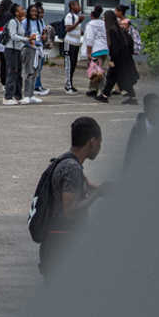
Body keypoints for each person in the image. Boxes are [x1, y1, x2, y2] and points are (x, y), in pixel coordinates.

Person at [38, 117, 105, 280]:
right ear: (92, 141)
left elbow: (86, 186)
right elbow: (70, 210)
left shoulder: (66, 160)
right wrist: (96, 196)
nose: (100, 147)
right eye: (100, 142)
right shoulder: (72, 168)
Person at [98, 9, 139, 105]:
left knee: (114, 76)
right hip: (124, 57)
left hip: (118, 58)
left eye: (104, 17)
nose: (103, 19)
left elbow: (115, 47)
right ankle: (106, 95)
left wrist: (112, 59)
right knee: (118, 77)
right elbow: (129, 41)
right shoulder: (119, 28)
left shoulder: (112, 30)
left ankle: (105, 96)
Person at [0, 4, 34, 106]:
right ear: (16, 12)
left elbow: (21, 37)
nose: (24, 10)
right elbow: (13, 36)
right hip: (11, 50)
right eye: (21, 9)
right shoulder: (13, 22)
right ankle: (7, 97)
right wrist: (27, 39)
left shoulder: (19, 22)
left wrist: (28, 41)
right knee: (12, 72)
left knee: (18, 73)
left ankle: (17, 96)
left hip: (18, 50)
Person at [124, 93, 159, 167]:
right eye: (154, 106)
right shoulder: (138, 128)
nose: (157, 110)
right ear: (145, 108)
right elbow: (130, 152)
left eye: (158, 106)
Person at [82, 5, 108, 97]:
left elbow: (90, 39)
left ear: (91, 15)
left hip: (95, 50)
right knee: (96, 70)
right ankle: (93, 89)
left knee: (96, 72)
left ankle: (101, 90)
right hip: (104, 49)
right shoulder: (104, 23)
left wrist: (89, 53)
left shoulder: (91, 24)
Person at [25, 5, 48, 98]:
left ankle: (35, 89)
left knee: (37, 70)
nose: (34, 13)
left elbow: (43, 32)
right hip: (30, 48)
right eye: (32, 11)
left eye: (36, 11)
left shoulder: (39, 21)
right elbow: (23, 34)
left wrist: (44, 37)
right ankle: (30, 91)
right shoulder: (25, 22)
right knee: (30, 71)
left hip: (39, 48)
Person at [62, 1, 85, 95]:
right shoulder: (69, 16)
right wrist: (78, 22)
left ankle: (70, 83)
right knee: (69, 65)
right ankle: (67, 86)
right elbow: (67, 29)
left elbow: (77, 29)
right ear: (72, 6)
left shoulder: (76, 16)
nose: (79, 6)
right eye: (77, 5)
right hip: (69, 43)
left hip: (76, 44)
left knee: (73, 65)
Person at [0, 0, 14, 88]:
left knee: (3, 62)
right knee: (9, 63)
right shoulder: (9, 16)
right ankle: (7, 81)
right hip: (7, 40)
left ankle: (3, 81)